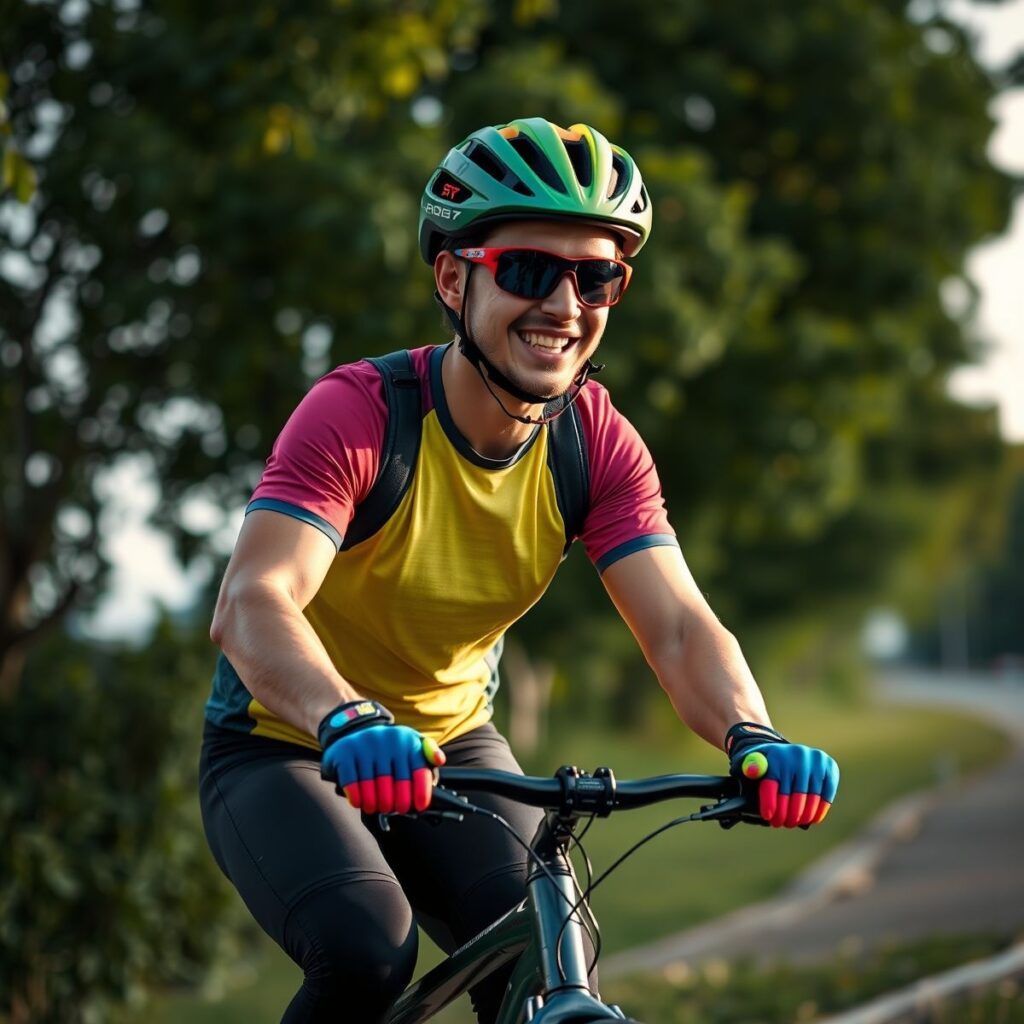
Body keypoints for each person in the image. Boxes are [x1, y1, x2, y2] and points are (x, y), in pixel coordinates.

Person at [199, 117, 840, 1024]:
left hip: (455, 749)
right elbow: (255, 599)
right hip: (289, 744)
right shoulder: (360, 415)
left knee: (551, 956)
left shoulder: (596, 443)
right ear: (454, 277)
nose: (566, 305)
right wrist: (345, 720)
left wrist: (755, 737)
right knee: (365, 947)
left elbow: (680, 627)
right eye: (531, 270)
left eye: (598, 276)